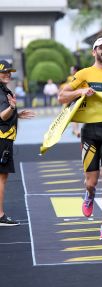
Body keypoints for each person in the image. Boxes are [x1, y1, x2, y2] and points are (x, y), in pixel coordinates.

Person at [58, 36, 102, 240]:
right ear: (94, 52)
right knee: (92, 181)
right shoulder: (84, 74)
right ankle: (89, 194)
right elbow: (62, 97)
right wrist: (80, 90)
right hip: (89, 132)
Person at [0, 60, 35, 226]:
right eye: (4, 71)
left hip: (4, 137)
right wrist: (12, 109)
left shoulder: (3, 89)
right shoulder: (1, 92)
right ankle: (0, 215)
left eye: (9, 71)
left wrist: (17, 114)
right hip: (2, 138)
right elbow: (2, 116)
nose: (8, 74)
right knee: (1, 177)